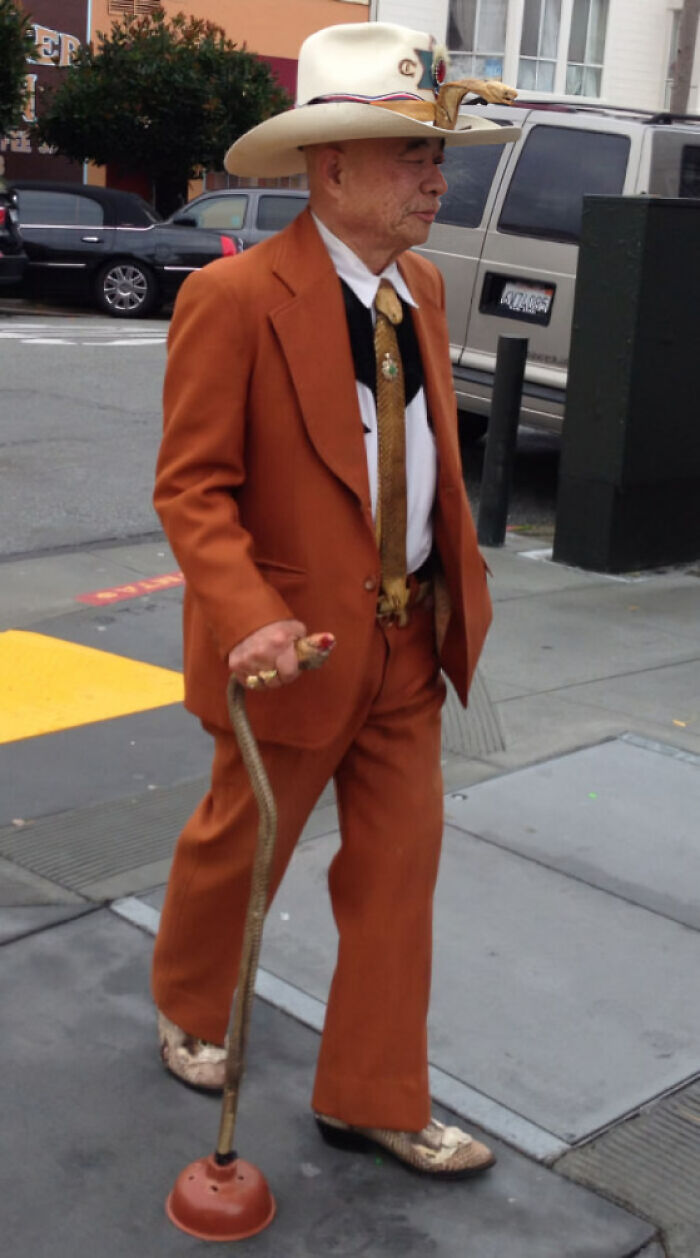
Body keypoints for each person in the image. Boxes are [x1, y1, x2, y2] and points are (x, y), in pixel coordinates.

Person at [152, 20, 518, 1179]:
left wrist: (461, 575)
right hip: (292, 649)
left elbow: (419, 453)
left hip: (409, 645)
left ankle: (370, 1093)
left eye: (434, 155)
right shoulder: (237, 300)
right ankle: (192, 1001)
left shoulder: (420, 286)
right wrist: (245, 609)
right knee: (242, 845)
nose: (435, 178)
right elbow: (193, 486)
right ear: (333, 167)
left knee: (400, 871)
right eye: (412, 155)